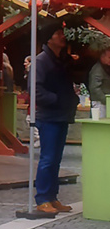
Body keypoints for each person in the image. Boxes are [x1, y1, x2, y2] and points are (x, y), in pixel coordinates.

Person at [33, 22, 79, 215]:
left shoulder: (61, 60)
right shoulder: (42, 61)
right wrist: (58, 100)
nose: (62, 36)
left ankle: (52, 196)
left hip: (61, 114)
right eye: (58, 33)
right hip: (49, 116)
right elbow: (35, 90)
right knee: (48, 158)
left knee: (56, 159)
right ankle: (43, 198)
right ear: (49, 38)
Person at [88, 43, 110, 120]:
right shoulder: (97, 70)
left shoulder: (105, 68)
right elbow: (94, 88)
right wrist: (106, 100)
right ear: (102, 57)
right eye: (109, 57)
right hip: (99, 103)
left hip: (104, 102)